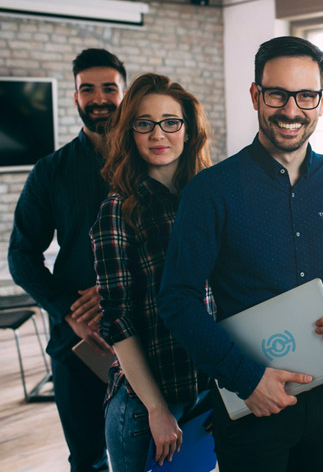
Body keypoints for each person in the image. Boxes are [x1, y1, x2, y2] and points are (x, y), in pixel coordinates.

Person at [156, 36, 323, 472]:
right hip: (250, 404)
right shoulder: (210, 191)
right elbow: (176, 299)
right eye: (277, 94)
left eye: (306, 96)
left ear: (322, 100)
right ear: (256, 94)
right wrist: (246, 378)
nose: (292, 110)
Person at [89, 73, 215, 471]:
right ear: (130, 132)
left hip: (208, 389)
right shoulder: (118, 209)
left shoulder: (207, 198)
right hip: (149, 407)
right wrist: (157, 409)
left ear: (188, 130)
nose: (158, 134)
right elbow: (117, 319)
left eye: (170, 122)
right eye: (144, 123)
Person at [8, 48, 125, 472]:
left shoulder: (155, 160)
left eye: (109, 88)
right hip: (80, 344)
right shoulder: (50, 171)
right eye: (87, 89)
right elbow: (21, 257)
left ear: (125, 94)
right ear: (75, 98)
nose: (99, 98)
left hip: (151, 332)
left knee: (160, 450)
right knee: (89, 459)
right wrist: (68, 312)